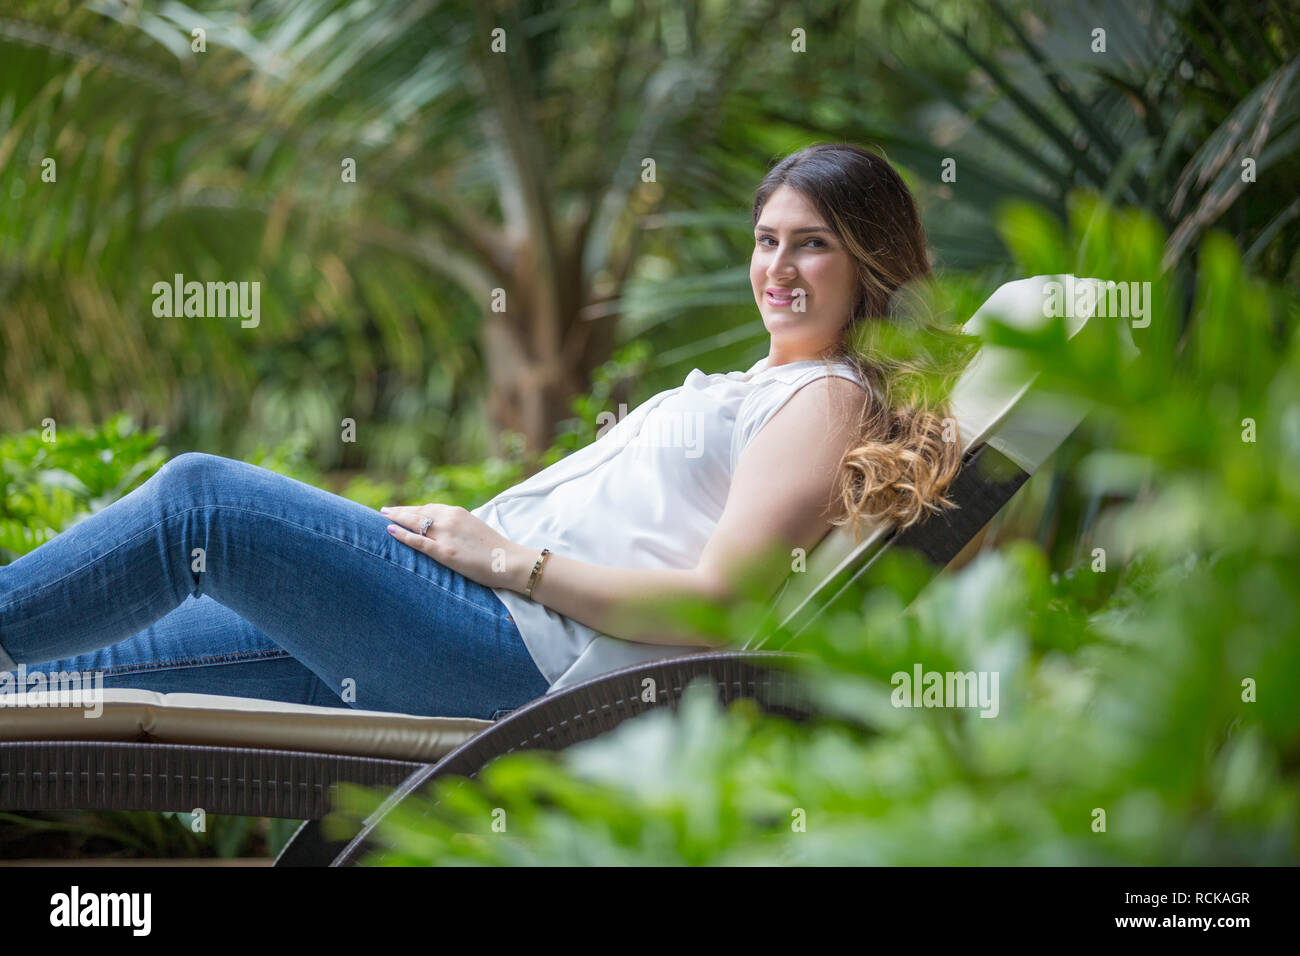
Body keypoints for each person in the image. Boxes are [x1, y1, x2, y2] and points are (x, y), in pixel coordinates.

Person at [0, 144, 963, 721]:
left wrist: (512, 562)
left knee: (200, 503)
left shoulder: (827, 398)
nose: (779, 267)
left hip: (515, 650)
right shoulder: (776, 382)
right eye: (767, 240)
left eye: (813, 243)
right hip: (470, 615)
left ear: (869, 261)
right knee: (76, 673)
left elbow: (717, 607)